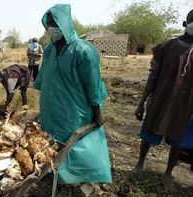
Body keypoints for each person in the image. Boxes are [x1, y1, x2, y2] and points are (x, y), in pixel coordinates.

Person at [33, 4, 112, 195]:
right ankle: (58, 174)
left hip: (75, 107)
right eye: (50, 23)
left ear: (67, 23)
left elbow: (93, 84)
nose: (53, 27)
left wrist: (97, 111)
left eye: (57, 23)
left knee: (77, 143)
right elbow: (43, 77)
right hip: (52, 106)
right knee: (53, 140)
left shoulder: (83, 50)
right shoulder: (50, 49)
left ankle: (86, 178)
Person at [133, 5, 193, 192]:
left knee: (179, 140)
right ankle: (139, 164)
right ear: (185, 23)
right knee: (149, 133)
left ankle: (168, 173)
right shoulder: (166, 47)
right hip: (161, 99)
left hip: (187, 105)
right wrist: (142, 103)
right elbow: (153, 76)